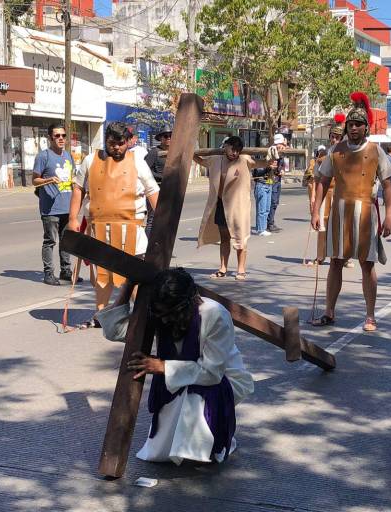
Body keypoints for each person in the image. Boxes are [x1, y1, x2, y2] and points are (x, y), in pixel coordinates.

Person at [127, 268, 254, 465]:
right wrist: (127, 288)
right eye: (161, 314)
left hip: (223, 379)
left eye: (171, 314)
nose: (166, 320)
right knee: (165, 447)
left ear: (190, 303)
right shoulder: (159, 312)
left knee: (194, 395)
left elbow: (212, 373)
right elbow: (118, 331)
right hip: (182, 374)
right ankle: (183, 446)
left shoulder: (215, 314)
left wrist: (164, 366)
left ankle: (208, 446)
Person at [310, 92, 391, 331]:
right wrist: (316, 211)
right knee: (335, 262)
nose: (354, 128)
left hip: (367, 213)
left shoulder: (377, 151)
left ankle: (370, 315)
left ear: (366, 127)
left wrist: (389, 215)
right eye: (351, 124)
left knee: (367, 264)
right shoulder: (335, 151)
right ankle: (329, 311)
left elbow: (387, 185)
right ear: (346, 127)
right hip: (339, 213)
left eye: (358, 124)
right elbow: (323, 181)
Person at [68, 122, 160, 325]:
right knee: (102, 275)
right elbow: (78, 189)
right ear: (105, 141)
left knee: (132, 276)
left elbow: (152, 190)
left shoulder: (137, 161)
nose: (117, 148)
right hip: (99, 228)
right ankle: (101, 315)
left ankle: (142, 316)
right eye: (112, 143)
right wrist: (72, 218)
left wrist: (163, 222)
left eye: (121, 143)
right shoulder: (90, 160)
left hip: (130, 229)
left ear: (128, 142)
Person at [194, 136, 274, 281]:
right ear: (226, 146)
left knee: (240, 238)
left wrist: (272, 155)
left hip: (239, 207)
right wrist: (189, 152)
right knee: (224, 238)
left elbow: (264, 162)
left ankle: (241, 269)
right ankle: (223, 268)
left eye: (238, 150)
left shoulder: (245, 160)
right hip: (220, 204)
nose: (234, 153)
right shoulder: (216, 160)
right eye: (232, 149)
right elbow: (200, 160)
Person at [32, 123, 77, 286]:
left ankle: (65, 271)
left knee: (66, 241)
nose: (61, 139)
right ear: (50, 138)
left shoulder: (68, 156)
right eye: (57, 136)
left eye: (63, 136)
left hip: (67, 206)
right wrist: (49, 180)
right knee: (50, 241)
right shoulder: (43, 156)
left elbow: (73, 178)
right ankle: (48, 273)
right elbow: (34, 180)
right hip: (50, 207)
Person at [314, 120, 345, 264]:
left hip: (342, 194)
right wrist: (314, 200)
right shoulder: (322, 155)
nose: (334, 139)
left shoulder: (347, 155)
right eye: (332, 136)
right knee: (322, 225)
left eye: (337, 137)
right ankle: (320, 255)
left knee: (342, 226)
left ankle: (343, 257)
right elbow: (316, 179)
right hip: (326, 194)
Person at [267, 133, 287, 233]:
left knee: (275, 202)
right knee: (272, 202)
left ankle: (271, 222)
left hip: (277, 179)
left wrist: (282, 170)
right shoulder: (272, 151)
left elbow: (282, 165)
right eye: (282, 144)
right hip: (271, 180)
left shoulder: (281, 153)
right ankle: (269, 223)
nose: (283, 147)